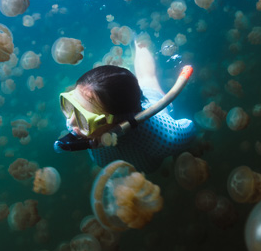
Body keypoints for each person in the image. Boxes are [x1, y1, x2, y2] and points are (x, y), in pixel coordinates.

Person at [59, 36, 195, 172]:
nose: (70, 122)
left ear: (118, 123)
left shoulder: (165, 137)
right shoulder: (83, 129)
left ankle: (140, 40)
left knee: (148, 79)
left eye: (84, 119)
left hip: (151, 106)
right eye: (70, 106)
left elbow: (190, 128)